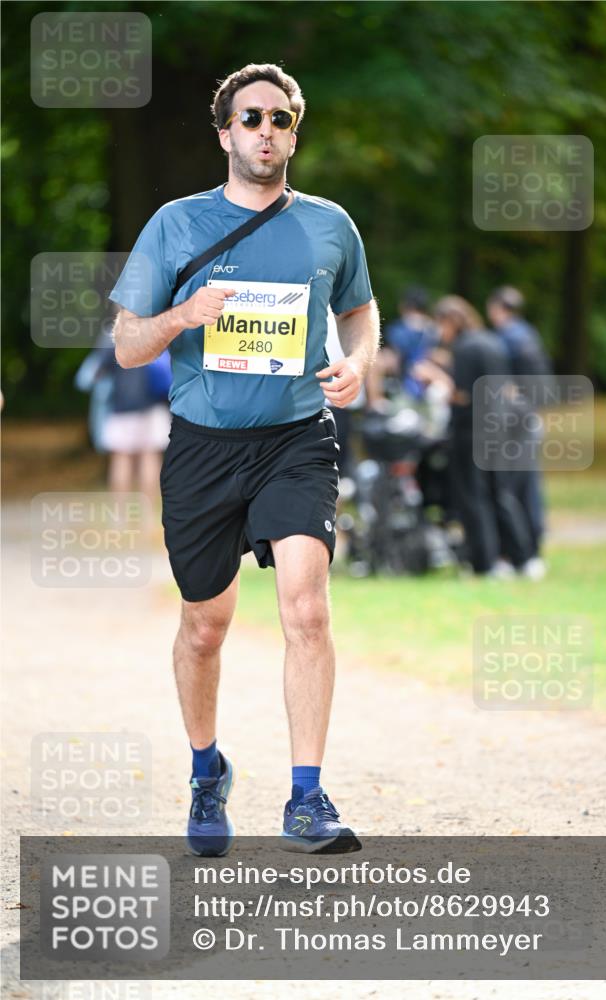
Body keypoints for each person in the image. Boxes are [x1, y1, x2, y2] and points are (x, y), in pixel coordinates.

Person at [110, 63, 379, 856]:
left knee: (306, 607)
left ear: (295, 131)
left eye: (281, 119)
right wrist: (181, 315)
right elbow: (128, 346)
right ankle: (205, 770)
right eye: (251, 118)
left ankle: (306, 798)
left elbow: (360, 313)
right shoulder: (176, 224)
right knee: (205, 627)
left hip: (296, 438)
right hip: (202, 445)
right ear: (225, 132)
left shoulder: (331, 225)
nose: (267, 131)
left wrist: (360, 363)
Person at [414, 296, 533, 576]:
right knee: (499, 494)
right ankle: (523, 557)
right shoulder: (491, 342)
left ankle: (485, 562)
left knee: (473, 496)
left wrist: (436, 378)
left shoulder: (465, 348)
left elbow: (463, 395)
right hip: (499, 428)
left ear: (450, 321)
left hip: (471, 431)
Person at [486, 286, 551, 575]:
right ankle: (532, 549)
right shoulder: (530, 336)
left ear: (498, 308)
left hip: (512, 424)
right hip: (531, 418)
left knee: (508, 488)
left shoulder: (504, 339)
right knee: (530, 486)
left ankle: (515, 554)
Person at [74, 319, 172, 499]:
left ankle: (119, 516)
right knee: (150, 457)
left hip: (121, 407)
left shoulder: (112, 335)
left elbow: (94, 373)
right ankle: (148, 516)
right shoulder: (155, 329)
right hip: (153, 406)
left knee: (121, 459)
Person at [365, 285, 437, 406]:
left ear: (403, 306)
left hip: (404, 385)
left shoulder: (399, 328)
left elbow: (394, 357)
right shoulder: (435, 328)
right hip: (431, 385)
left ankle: (376, 404)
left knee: (375, 361)